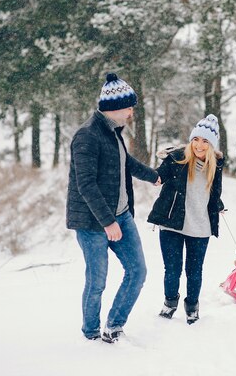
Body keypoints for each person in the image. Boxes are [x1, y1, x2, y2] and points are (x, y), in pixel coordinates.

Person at [66, 73, 161, 343]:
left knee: (138, 271)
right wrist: (109, 223)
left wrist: (153, 176)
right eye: (129, 106)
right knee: (97, 281)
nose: (132, 112)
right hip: (93, 222)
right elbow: (85, 185)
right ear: (115, 108)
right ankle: (91, 333)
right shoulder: (87, 136)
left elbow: (125, 162)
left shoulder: (114, 132)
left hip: (121, 216)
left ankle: (114, 324)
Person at [147, 114, 224, 324]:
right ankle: (170, 303)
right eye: (196, 139)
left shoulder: (215, 166)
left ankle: (192, 306)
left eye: (205, 141)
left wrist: (219, 206)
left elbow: (214, 193)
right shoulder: (176, 159)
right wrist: (153, 177)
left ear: (211, 145)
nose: (199, 145)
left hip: (200, 227)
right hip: (172, 222)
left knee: (194, 271)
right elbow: (158, 175)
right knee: (172, 269)